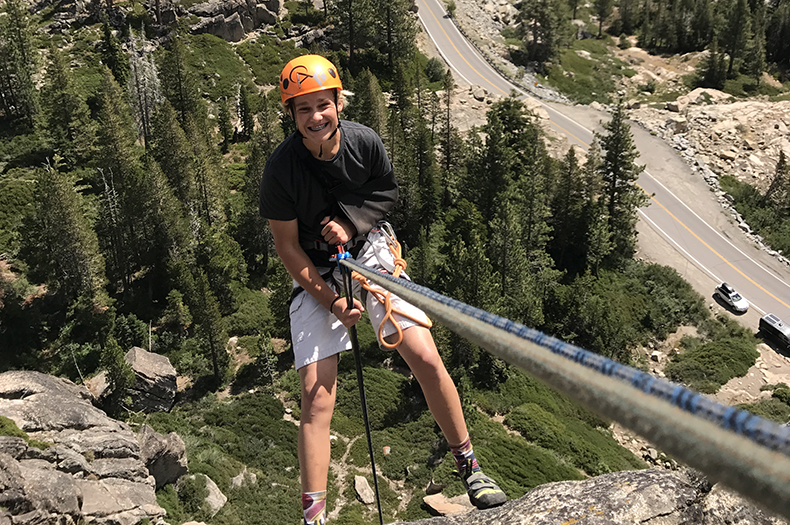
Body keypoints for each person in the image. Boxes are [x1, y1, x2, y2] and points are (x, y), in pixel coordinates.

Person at [259, 55, 507, 525]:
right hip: (314, 269)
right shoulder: (281, 170)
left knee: (424, 354)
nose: (315, 117)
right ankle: (313, 517)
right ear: (291, 116)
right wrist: (331, 301)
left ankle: (469, 465)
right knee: (316, 398)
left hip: (369, 250)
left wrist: (349, 222)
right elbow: (288, 249)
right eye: (303, 109)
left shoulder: (363, 141)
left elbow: (386, 192)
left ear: (338, 102)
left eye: (322, 105)